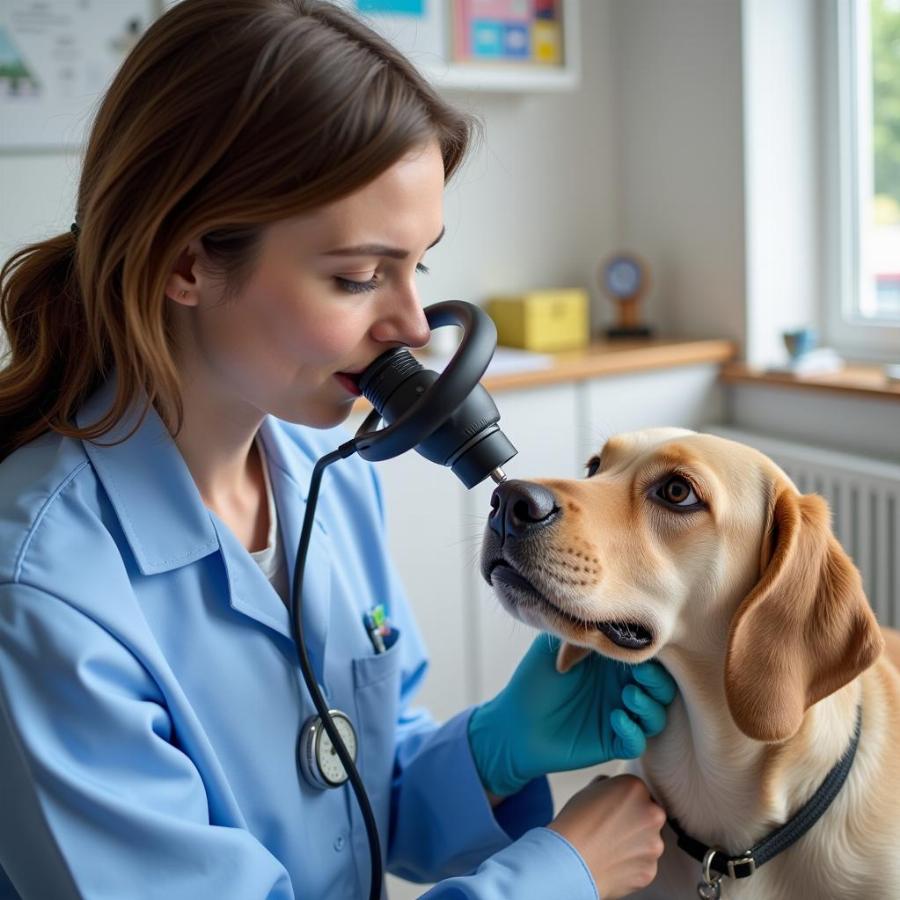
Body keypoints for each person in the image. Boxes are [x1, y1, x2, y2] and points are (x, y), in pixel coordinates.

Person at [0, 2, 677, 898]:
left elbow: (353, 794)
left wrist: (498, 745)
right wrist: (555, 877)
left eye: (418, 267)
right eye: (357, 277)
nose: (408, 328)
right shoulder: (43, 593)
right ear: (188, 263)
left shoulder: (325, 479)